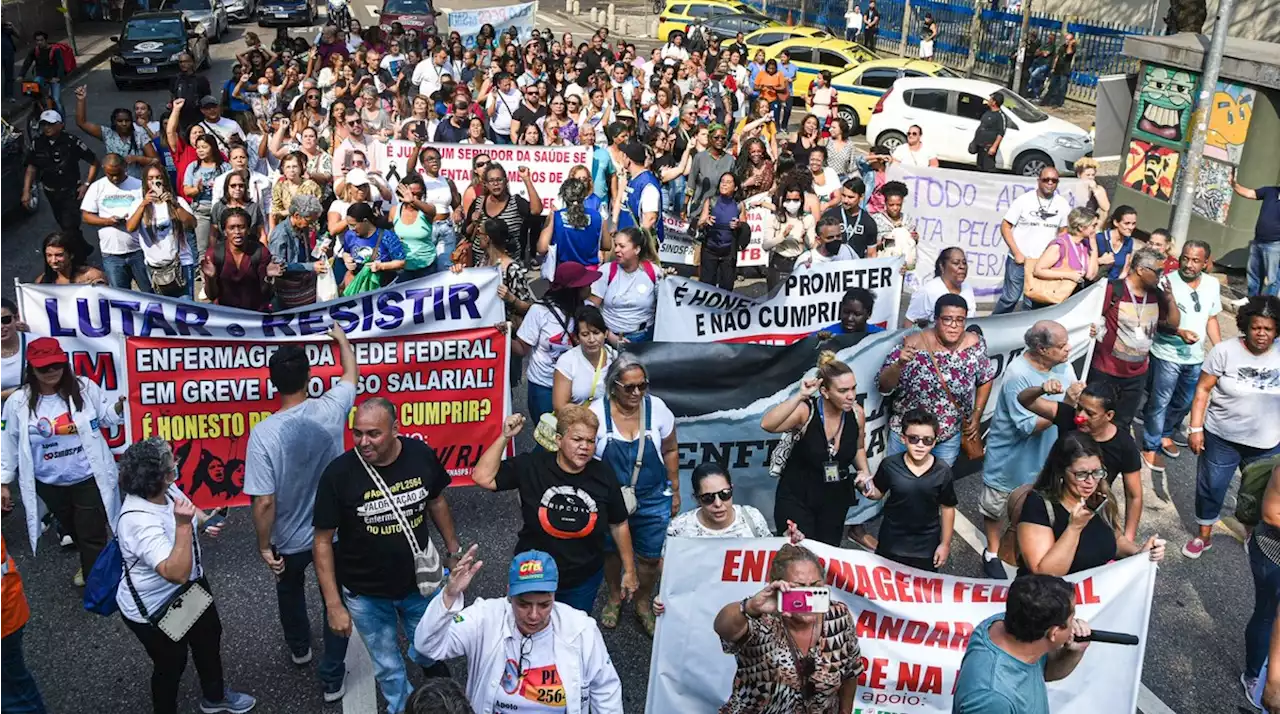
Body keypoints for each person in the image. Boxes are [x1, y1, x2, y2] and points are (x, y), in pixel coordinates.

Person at [313, 398, 462, 714]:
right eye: (357, 433)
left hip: (420, 586)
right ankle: (401, 708)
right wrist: (333, 605)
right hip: (367, 596)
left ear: (395, 429)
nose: (363, 442)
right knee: (388, 668)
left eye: (373, 434)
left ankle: (442, 699)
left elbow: (436, 502)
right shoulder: (338, 475)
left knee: (429, 649)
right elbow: (322, 541)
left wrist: (453, 551)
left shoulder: (420, 456)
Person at [244, 327, 356, 703]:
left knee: (289, 588)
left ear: (272, 383)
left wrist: (263, 545)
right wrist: (340, 340)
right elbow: (350, 374)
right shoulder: (331, 407)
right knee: (334, 598)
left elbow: (264, 502)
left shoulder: (263, 434)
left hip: (288, 540)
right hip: (336, 533)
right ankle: (332, 676)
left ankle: (298, 646)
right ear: (309, 377)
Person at [114, 438, 258, 714]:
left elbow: (189, 510)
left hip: (189, 590)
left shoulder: (165, 490)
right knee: (171, 664)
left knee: (208, 636)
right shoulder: (137, 521)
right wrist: (182, 526)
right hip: (157, 607)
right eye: (171, 462)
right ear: (159, 476)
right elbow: (175, 573)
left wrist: (205, 522)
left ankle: (215, 698)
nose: (176, 463)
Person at [413, 548, 623, 712]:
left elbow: (605, 691)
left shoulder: (582, 629)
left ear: (554, 596)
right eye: (523, 604)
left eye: (544, 605)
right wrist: (449, 597)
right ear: (508, 595)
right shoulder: (485, 616)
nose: (533, 615)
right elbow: (427, 647)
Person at [471, 409, 638, 614]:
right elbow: (483, 477)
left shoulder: (603, 473)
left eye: (590, 441)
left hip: (581, 579)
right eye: (577, 439)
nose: (585, 447)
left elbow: (618, 523)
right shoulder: (532, 466)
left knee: (569, 636)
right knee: (528, 627)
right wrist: (505, 437)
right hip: (533, 573)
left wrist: (629, 571)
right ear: (559, 440)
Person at [0, 337, 124, 586]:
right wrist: (3, 482)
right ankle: (94, 564)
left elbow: (106, 418)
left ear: (64, 364)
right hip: (49, 483)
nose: (50, 372)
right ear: (31, 369)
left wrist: (120, 407)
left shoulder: (85, 388)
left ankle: (98, 587)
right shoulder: (17, 403)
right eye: (43, 368)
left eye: (55, 365)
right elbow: (8, 442)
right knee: (75, 530)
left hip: (88, 477)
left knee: (92, 534)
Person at [1183, 296, 1280, 559]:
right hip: (1222, 438)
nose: (1261, 334)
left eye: (1268, 329)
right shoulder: (1225, 351)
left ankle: (1251, 533)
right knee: (1211, 488)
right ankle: (1203, 536)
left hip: (1267, 443)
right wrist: (1195, 429)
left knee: (1257, 496)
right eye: (1256, 327)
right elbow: (1203, 389)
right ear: (1245, 325)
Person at [713, 543, 863, 711]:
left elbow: (851, 672)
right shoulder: (761, 618)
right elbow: (723, 627)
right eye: (798, 588)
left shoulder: (838, 615)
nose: (808, 597)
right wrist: (749, 607)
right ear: (778, 586)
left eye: (815, 586)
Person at [589, 355, 678, 636]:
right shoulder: (595, 415)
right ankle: (615, 596)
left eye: (642, 386)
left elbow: (670, 449)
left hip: (652, 496)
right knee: (611, 551)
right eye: (629, 387)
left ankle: (642, 602)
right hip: (609, 500)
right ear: (613, 386)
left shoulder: (658, 409)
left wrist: (674, 489)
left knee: (651, 557)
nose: (637, 393)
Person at [979, 321, 1075, 579]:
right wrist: (1064, 409)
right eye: (1062, 345)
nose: (1069, 348)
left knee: (1035, 506)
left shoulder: (1062, 365)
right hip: (1011, 458)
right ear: (1042, 348)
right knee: (996, 506)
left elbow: (1075, 394)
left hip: (1046, 456)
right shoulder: (1017, 375)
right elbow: (1028, 426)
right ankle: (991, 552)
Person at [1016, 431, 1165, 576]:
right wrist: (1074, 528)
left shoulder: (1100, 497)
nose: (1091, 482)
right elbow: (1045, 573)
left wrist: (1139, 552)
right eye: (1081, 474)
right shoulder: (1038, 504)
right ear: (1060, 471)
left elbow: (1115, 540)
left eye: (1097, 472)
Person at [761, 351, 871, 547]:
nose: (851, 396)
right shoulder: (806, 411)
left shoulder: (857, 413)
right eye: (843, 390)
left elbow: (859, 447)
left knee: (826, 556)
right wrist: (800, 395)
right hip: (798, 495)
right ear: (825, 392)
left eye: (854, 388)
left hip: (834, 497)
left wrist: (864, 472)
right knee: (799, 552)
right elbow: (768, 424)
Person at [1018, 382, 1145, 543]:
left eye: (1090, 414)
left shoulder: (1124, 445)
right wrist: (1042, 389)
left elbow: (1134, 495)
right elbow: (1025, 400)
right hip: (1054, 502)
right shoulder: (1067, 416)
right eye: (1079, 408)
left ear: (1109, 415)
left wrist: (1128, 537)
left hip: (1090, 511)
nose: (1080, 417)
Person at [878, 292, 996, 463]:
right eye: (947, 319)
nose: (954, 326)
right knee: (900, 484)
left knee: (938, 486)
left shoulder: (975, 344)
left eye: (960, 320)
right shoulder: (912, 344)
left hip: (946, 436)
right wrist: (899, 364)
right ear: (936, 319)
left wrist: (977, 415)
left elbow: (985, 377)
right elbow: (883, 386)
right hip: (908, 436)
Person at [953, 573, 1092, 712]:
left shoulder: (1013, 624)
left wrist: (1074, 652)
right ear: (1054, 632)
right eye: (1071, 618)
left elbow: (1045, 671)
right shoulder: (992, 699)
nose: (1075, 624)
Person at [1142, 240, 1221, 470]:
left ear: (1205, 262)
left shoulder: (1212, 284)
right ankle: (1150, 445)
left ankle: (1166, 433)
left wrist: (1219, 350)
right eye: (1185, 258)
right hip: (1166, 353)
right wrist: (1178, 332)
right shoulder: (1166, 282)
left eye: (1195, 260)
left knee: (1185, 401)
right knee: (1160, 401)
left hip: (1195, 357)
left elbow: (1212, 318)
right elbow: (1155, 320)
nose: (1188, 264)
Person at [1089, 248, 1178, 433]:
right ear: (1140, 270)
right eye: (1158, 272)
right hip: (1107, 371)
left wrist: (1170, 298)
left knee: (1121, 424)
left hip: (1137, 376)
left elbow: (1172, 324)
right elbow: (1089, 317)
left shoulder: (1157, 294)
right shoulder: (1114, 289)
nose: (1161, 277)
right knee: (1095, 422)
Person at [856, 408, 957, 571]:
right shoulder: (889, 465)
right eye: (914, 439)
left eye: (927, 440)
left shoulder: (943, 471)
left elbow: (947, 508)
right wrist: (864, 486)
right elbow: (877, 493)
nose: (920, 445)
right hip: (892, 542)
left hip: (926, 545)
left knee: (922, 592)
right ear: (903, 439)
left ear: (935, 441)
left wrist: (945, 545)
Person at [516, 262, 598, 425]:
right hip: (544, 388)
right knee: (549, 440)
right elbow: (521, 349)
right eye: (586, 284)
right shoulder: (539, 312)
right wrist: (500, 337)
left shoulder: (588, 310)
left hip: (578, 388)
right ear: (574, 290)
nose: (591, 286)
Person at [993, 166, 1069, 314]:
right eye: (1046, 179)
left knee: (1032, 301)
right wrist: (1016, 252)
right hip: (1019, 259)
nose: (1050, 183)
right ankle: (991, 325)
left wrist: (1054, 256)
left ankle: (1028, 334)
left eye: (1054, 180)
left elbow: (1063, 231)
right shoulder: (1024, 200)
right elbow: (1005, 226)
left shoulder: (1062, 204)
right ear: (1038, 181)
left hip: (1041, 263)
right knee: (1010, 298)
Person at [23, 110, 98, 240]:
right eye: (44, 124)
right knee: (63, 225)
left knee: (70, 226)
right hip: (50, 191)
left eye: (51, 124)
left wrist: (87, 184)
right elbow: (31, 167)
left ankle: (77, 257)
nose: (47, 128)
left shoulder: (71, 142)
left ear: (61, 125)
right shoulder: (38, 143)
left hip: (70, 191)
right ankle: (82, 250)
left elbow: (94, 162)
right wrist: (26, 191)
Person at [125, 164, 196, 298]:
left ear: (164, 180)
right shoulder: (138, 204)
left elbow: (192, 224)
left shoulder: (177, 201)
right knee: (165, 310)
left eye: (159, 178)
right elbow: (130, 228)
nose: (155, 182)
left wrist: (174, 204)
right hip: (155, 267)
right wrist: (143, 204)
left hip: (181, 263)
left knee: (187, 307)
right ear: (145, 182)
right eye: (150, 178)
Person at [82, 154, 148, 292]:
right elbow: (86, 216)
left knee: (150, 293)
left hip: (139, 251)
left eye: (118, 174)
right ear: (103, 169)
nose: (115, 178)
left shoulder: (138, 185)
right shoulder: (97, 187)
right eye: (110, 175)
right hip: (112, 254)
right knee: (121, 297)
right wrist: (108, 221)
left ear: (125, 167)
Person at [201, 208, 281, 311]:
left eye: (241, 227)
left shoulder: (260, 252)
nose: (237, 232)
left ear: (248, 230)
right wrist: (211, 278)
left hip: (255, 314)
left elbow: (267, 295)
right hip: (224, 314)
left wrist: (269, 278)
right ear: (225, 231)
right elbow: (212, 296)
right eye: (232, 228)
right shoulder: (214, 254)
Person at [590, 228, 660, 345]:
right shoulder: (606, 271)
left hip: (644, 338)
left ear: (637, 249)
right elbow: (591, 307)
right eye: (615, 245)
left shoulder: (654, 272)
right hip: (610, 337)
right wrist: (608, 334)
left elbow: (666, 304)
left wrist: (670, 280)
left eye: (622, 246)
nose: (616, 250)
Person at [463, 164, 541, 265]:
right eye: (491, 181)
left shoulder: (515, 202)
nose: (495, 184)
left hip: (508, 265)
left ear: (506, 181)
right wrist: (474, 223)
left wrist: (526, 179)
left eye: (499, 180)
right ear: (485, 184)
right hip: (480, 265)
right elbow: (466, 232)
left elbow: (536, 210)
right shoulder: (478, 203)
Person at [73, 87, 157, 180]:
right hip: (113, 182)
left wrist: (138, 159)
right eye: (120, 121)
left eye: (127, 120)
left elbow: (156, 161)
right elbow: (82, 123)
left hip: (136, 183)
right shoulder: (107, 134)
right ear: (114, 121)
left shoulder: (140, 136)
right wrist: (81, 100)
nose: (124, 124)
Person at [1029, 206, 1099, 307]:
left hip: (1072, 297)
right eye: (1093, 225)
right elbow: (1038, 270)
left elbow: (1091, 275)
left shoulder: (1084, 245)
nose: (1096, 229)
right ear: (1081, 227)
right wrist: (1069, 275)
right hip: (1053, 298)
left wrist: (1094, 248)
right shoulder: (1060, 244)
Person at [552, 305, 616, 412]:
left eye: (596, 333)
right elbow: (560, 407)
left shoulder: (615, 358)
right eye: (585, 334)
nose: (591, 339)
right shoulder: (567, 362)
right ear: (577, 338)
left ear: (605, 334)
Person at [268, 194, 327, 309]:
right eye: (309, 221)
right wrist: (311, 267)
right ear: (297, 216)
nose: (311, 225)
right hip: (289, 291)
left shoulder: (303, 228)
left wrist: (318, 251)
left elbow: (304, 253)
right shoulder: (280, 234)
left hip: (305, 286)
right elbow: (278, 266)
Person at [537, 177, 604, 277]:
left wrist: (550, 217)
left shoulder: (556, 216)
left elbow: (542, 248)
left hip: (564, 272)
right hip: (589, 273)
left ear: (563, 196)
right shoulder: (597, 216)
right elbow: (606, 245)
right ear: (584, 196)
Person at [1231, 168, 1280, 297]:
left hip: (1275, 244)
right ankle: (1252, 301)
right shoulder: (1270, 191)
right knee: (1253, 275)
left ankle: (1266, 307)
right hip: (1258, 241)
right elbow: (1250, 193)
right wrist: (1235, 185)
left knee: (1271, 280)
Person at [696, 171, 746, 290]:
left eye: (728, 182)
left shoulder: (739, 205)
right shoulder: (711, 200)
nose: (724, 185)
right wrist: (705, 221)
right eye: (722, 182)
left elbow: (745, 228)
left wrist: (739, 225)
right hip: (710, 250)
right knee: (707, 287)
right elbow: (699, 224)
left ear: (735, 187)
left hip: (729, 252)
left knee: (727, 287)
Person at [340, 201, 405, 290]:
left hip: (384, 287)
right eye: (349, 225)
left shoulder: (387, 236)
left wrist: (381, 266)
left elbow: (401, 263)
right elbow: (346, 252)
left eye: (353, 225)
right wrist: (347, 260)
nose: (351, 229)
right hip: (358, 286)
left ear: (365, 221)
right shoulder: (350, 235)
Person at [906, 248, 978, 324]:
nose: (962, 267)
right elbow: (909, 323)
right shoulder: (927, 291)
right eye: (956, 263)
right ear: (942, 266)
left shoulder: (967, 288)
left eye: (964, 263)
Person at [765, 184, 814, 290]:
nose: (792, 203)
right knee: (776, 299)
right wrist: (782, 236)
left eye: (796, 200)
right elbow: (765, 246)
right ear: (783, 201)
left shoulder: (808, 219)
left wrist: (804, 238)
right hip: (779, 263)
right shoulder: (774, 218)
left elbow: (812, 245)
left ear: (801, 200)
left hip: (799, 262)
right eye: (789, 200)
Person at [822, 178, 877, 258]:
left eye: (851, 197)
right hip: (832, 265)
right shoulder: (829, 215)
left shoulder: (868, 222)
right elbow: (819, 244)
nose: (846, 200)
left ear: (861, 197)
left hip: (856, 267)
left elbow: (871, 254)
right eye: (843, 196)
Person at [687, 124, 735, 217]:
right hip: (699, 208)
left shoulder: (730, 160)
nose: (720, 140)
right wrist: (685, 206)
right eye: (716, 137)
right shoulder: (700, 157)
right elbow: (691, 183)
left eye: (723, 138)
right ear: (710, 138)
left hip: (721, 209)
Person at [34, 231, 106, 286]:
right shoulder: (41, 282)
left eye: (59, 255)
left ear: (71, 255)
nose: (54, 261)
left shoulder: (92, 276)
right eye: (49, 255)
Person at [19, 32, 66, 115]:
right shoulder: (35, 51)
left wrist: (58, 77)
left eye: (41, 40)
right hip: (41, 77)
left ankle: (61, 124)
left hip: (53, 78)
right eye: (37, 40)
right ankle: (40, 110)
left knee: (56, 100)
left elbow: (61, 64)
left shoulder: (55, 50)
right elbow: (27, 62)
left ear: (46, 40)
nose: (39, 42)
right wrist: (21, 75)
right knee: (34, 94)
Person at [1096, 205, 1137, 281]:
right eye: (1127, 223)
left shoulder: (1129, 242)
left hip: (1113, 285)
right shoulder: (1100, 238)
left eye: (1133, 224)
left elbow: (1125, 269)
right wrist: (1100, 260)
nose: (1131, 227)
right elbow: (1084, 262)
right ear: (1116, 222)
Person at [972, 94, 1006, 173]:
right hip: (980, 144)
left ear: (994, 102)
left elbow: (1001, 133)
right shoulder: (987, 111)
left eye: (990, 99)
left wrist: (994, 147)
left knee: (988, 167)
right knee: (979, 167)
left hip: (989, 146)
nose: (988, 100)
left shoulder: (1000, 116)